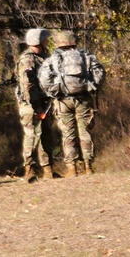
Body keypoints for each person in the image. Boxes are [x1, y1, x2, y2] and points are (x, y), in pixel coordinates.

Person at [38, 31, 105, 176]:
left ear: (58, 43)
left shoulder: (52, 60)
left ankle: (71, 168)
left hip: (62, 101)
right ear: (74, 42)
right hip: (84, 99)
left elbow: (44, 79)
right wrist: (91, 86)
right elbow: (100, 73)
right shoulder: (85, 57)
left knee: (68, 134)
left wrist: (53, 91)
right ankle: (88, 167)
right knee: (84, 131)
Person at [15, 28, 56, 183]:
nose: (48, 41)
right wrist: (36, 107)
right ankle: (29, 171)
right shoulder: (28, 60)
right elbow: (28, 86)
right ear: (38, 41)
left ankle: (48, 170)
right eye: (45, 38)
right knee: (31, 137)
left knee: (47, 136)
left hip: (44, 103)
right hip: (31, 105)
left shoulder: (43, 57)